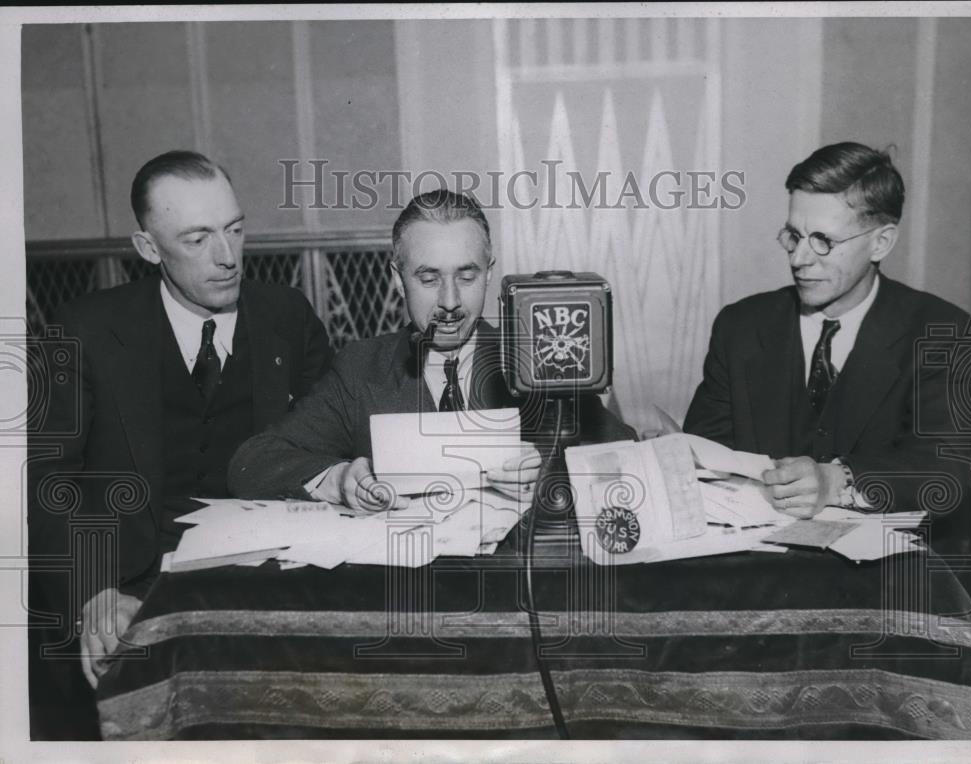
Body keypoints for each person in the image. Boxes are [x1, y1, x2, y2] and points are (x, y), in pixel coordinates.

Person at [27, 150, 331, 737]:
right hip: (132, 583)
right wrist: (93, 591)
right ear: (148, 248)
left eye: (235, 230)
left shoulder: (286, 315)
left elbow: (332, 439)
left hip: (266, 575)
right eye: (197, 239)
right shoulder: (84, 328)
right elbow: (44, 481)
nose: (226, 257)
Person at [229, 188, 636, 509]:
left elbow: (629, 458)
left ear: (490, 273)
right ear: (397, 278)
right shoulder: (361, 369)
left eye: (467, 275)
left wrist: (550, 475)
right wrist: (336, 480)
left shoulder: (540, 358)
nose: (450, 302)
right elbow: (253, 463)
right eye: (428, 278)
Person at [684, 142, 971, 533]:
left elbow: (948, 471)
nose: (799, 259)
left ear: (881, 242)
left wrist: (837, 481)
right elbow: (705, 455)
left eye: (823, 240)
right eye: (793, 236)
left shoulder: (943, 332)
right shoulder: (741, 326)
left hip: (883, 581)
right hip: (751, 574)